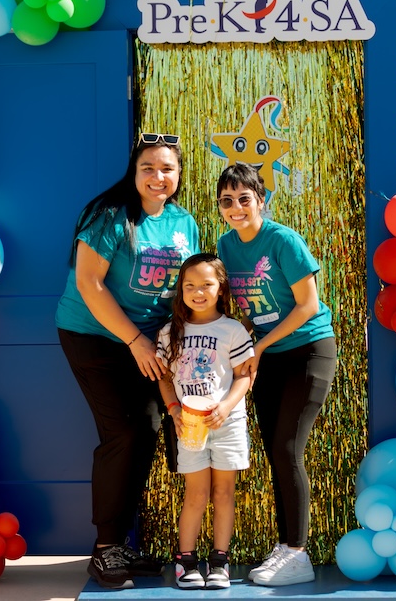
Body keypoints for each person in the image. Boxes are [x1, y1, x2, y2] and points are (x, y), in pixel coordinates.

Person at [55, 132, 201, 590]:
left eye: (167, 169)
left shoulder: (184, 222)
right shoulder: (110, 215)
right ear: (134, 172)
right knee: (124, 432)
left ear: (178, 175)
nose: (158, 177)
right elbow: (89, 283)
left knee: (150, 433)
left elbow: (186, 287)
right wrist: (135, 340)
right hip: (96, 336)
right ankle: (105, 548)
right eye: (148, 168)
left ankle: (122, 545)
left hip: (150, 343)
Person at [214, 163, 337, 587]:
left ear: (260, 201)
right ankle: (286, 547)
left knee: (288, 448)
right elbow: (240, 309)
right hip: (269, 356)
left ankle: (299, 554)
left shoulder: (282, 240)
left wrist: (259, 346)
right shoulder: (225, 247)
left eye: (244, 199)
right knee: (275, 453)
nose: (236, 208)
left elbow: (307, 304)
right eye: (227, 201)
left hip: (308, 351)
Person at [156, 253, 254, 590]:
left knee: (224, 492)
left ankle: (220, 561)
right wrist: (173, 410)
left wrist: (226, 406)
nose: (198, 292)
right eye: (190, 286)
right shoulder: (170, 332)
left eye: (206, 284)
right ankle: (187, 561)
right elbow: (164, 378)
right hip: (190, 426)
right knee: (196, 494)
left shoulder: (233, 330)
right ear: (181, 291)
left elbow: (245, 376)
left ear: (221, 288)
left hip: (227, 423)